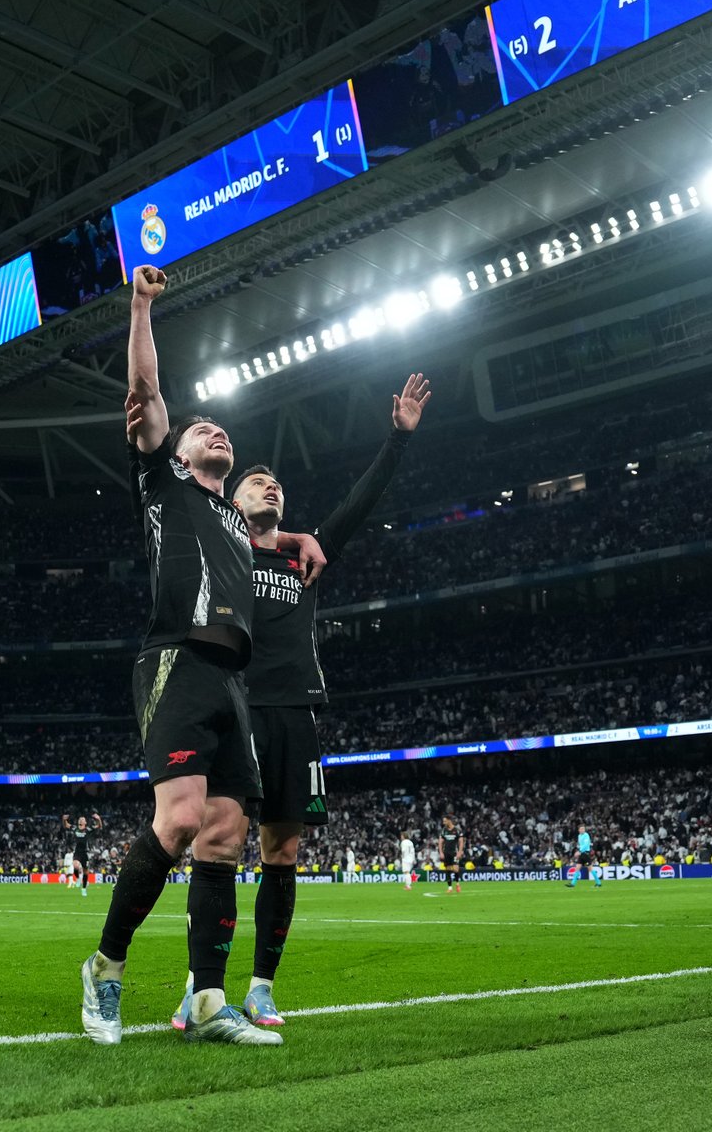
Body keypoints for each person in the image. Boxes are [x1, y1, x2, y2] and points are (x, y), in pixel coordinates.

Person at [131, 373, 429, 1028]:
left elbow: (355, 507)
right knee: (216, 842)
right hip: (235, 706)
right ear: (231, 503)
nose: (269, 487)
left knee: (283, 853)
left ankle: (261, 985)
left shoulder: (306, 558)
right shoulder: (223, 543)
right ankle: (199, 984)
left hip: (296, 712)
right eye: (255, 483)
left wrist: (397, 441)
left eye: (277, 487)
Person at [81, 264, 323, 1048]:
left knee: (223, 835)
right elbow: (148, 397)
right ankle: (106, 970)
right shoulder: (164, 486)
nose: (216, 433)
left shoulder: (235, 522)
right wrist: (142, 308)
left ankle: (211, 1002)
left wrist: (295, 534)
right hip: (175, 662)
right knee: (180, 818)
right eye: (202, 432)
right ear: (177, 455)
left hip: (234, 683)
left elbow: (273, 531)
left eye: (225, 432)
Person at [63, 812, 102, 896]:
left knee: (86, 872)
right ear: (78, 822)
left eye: (83, 819)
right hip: (77, 852)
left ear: (85, 822)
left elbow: (99, 826)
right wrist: (64, 820)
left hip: (85, 853)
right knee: (75, 865)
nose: (81, 819)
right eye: (80, 819)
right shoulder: (75, 828)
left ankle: (84, 889)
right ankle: (77, 878)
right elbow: (66, 825)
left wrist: (98, 819)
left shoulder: (88, 829)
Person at [566, 824, 601, 888]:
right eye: (581, 829)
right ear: (579, 830)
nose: (582, 830)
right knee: (577, 868)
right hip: (582, 854)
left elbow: (585, 845)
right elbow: (581, 845)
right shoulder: (579, 836)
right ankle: (573, 883)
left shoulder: (586, 835)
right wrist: (578, 850)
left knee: (590, 869)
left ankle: (598, 882)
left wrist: (579, 851)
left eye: (583, 829)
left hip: (585, 854)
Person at [436, 814, 464, 894]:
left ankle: (457, 884)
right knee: (448, 870)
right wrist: (441, 852)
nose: (444, 822)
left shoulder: (457, 830)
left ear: (449, 820)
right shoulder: (443, 830)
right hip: (446, 853)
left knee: (455, 869)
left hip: (454, 853)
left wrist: (460, 852)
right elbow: (440, 842)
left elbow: (461, 842)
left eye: (445, 821)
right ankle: (450, 887)